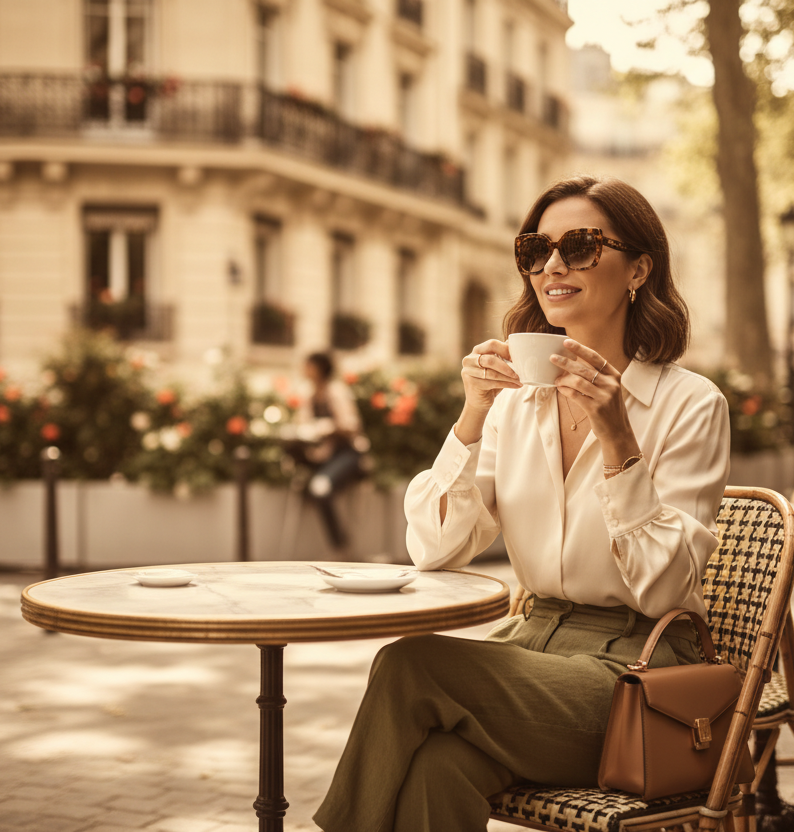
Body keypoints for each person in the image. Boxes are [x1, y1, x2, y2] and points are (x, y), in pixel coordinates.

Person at [313, 175, 731, 832]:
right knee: (437, 769)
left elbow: (666, 589)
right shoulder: (513, 404)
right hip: (531, 648)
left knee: (411, 663)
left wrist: (617, 434)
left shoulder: (690, 404)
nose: (552, 266)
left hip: (637, 674)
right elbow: (435, 548)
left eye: (581, 246)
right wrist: (471, 417)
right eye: (536, 249)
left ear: (638, 268)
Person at [291, 351, 365, 558]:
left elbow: (352, 426)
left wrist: (328, 427)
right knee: (308, 485)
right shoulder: (308, 393)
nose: (305, 370)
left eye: (309, 366)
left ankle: (340, 548)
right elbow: (303, 425)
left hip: (347, 454)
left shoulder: (336, 391)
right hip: (320, 456)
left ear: (320, 368)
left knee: (320, 489)